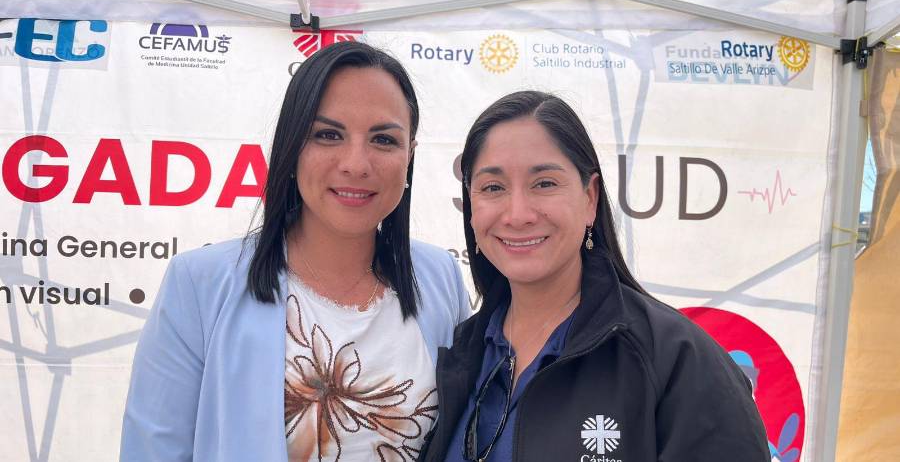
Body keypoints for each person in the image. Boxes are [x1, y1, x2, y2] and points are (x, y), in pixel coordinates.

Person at [120, 42, 471, 462]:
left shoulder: (439, 277)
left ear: (409, 155)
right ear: (291, 146)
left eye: (383, 139)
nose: (356, 164)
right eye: (328, 135)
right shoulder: (200, 283)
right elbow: (153, 449)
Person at [418, 91, 770, 461]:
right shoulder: (465, 350)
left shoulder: (674, 358)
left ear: (590, 198)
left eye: (544, 183)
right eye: (493, 188)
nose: (517, 213)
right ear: (471, 206)